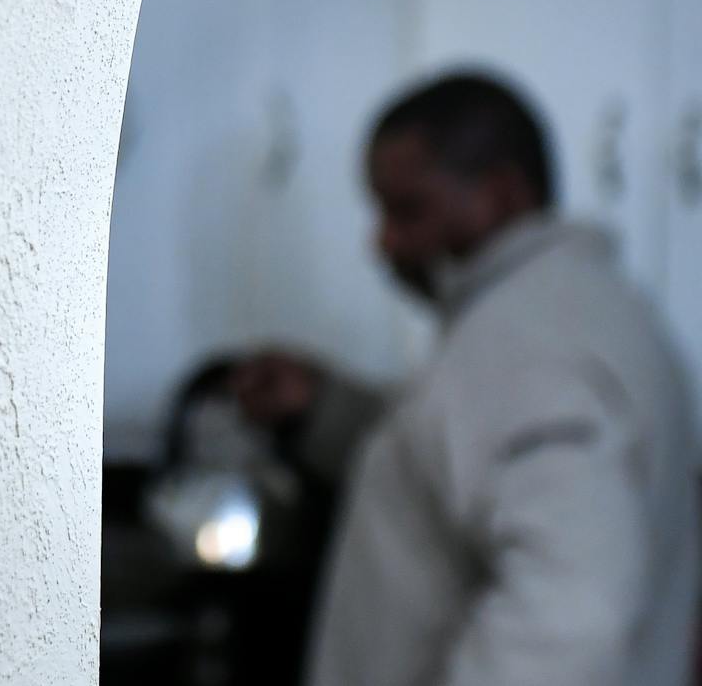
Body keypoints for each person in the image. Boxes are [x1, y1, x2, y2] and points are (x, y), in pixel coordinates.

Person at [234, 71, 700, 686]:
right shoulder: (589, 306)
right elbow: (457, 475)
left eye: (407, 211)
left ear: (502, 196)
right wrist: (327, 410)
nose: (384, 243)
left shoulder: (529, 341)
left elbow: (569, 620)